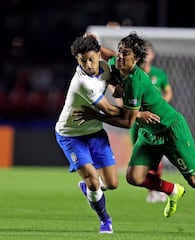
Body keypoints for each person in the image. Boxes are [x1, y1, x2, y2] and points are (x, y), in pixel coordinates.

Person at [74, 32, 195, 237]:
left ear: (137, 59)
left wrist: (94, 114)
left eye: (126, 53)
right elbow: (107, 54)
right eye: (120, 51)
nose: (120, 56)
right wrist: (94, 41)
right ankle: (172, 190)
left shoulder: (135, 80)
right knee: (134, 177)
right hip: (150, 133)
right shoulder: (118, 61)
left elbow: (127, 122)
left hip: (171, 130)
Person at [54, 35, 122, 234]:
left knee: (112, 184)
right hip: (71, 135)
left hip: (95, 133)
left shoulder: (105, 67)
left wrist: (117, 87)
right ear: (77, 60)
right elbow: (109, 110)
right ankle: (105, 220)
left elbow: (115, 60)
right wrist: (136, 112)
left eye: (92, 59)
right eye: (83, 61)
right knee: (93, 180)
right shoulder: (83, 83)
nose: (88, 64)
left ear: (99, 55)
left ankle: (91, 189)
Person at [134, 40, 173, 203]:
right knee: (142, 158)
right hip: (138, 122)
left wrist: (161, 106)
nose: (146, 54)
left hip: (156, 122)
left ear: (153, 55)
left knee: (156, 157)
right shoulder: (134, 74)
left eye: (148, 51)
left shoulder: (159, 74)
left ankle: (159, 189)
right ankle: (153, 191)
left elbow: (168, 92)